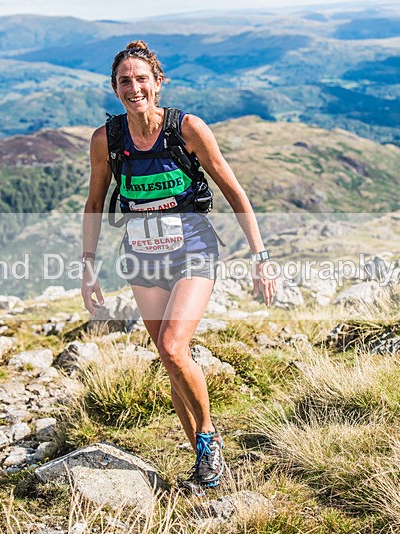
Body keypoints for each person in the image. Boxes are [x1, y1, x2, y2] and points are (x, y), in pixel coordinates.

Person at [81, 40, 277, 495]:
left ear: (158, 82)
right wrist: (87, 267)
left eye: (141, 79)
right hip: (142, 256)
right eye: (124, 81)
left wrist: (259, 257)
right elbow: (94, 203)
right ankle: (206, 471)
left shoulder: (186, 128)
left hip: (193, 250)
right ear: (115, 88)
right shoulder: (106, 139)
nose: (134, 88)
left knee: (171, 345)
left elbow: (234, 191)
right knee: (173, 361)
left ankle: (208, 437)